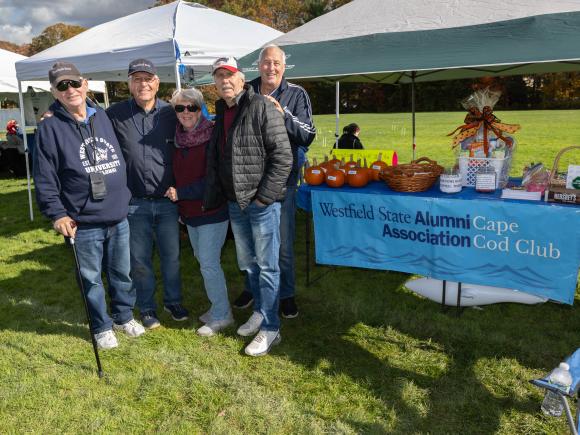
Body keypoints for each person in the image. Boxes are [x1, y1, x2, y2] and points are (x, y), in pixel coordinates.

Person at [33, 61, 144, 349]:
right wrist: (57, 214)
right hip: (83, 221)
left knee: (122, 272)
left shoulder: (103, 116)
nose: (70, 89)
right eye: (62, 86)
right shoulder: (50, 128)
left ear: (85, 84)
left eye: (74, 83)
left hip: (118, 214)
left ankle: (122, 316)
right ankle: (101, 325)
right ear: (55, 92)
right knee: (91, 278)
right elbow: (45, 177)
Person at [203, 57, 292, 356]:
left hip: (261, 204)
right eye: (219, 77)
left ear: (242, 79)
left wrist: (264, 197)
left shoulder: (261, 106)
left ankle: (270, 327)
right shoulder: (222, 111)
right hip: (234, 203)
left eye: (229, 76)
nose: (224, 81)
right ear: (214, 83)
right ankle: (260, 310)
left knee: (267, 266)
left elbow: (283, 157)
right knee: (248, 263)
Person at [233, 44, 316, 318]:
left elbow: (307, 134)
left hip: (283, 180)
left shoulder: (296, 93)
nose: (271, 68)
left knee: (281, 243)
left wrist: (283, 114)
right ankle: (253, 287)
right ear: (258, 66)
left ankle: (286, 294)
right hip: (248, 178)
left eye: (276, 63)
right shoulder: (247, 91)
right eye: (266, 63)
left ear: (284, 66)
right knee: (249, 244)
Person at [107, 59, 188, 329]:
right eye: (137, 79)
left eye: (148, 79)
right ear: (129, 84)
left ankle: (173, 301)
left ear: (157, 82)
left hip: (167, 201)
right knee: (139, 261)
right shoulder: (113, 114)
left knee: (172, 257)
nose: (143, 84)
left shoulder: (172, 112)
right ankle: (147, 307)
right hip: (133, 204)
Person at [165, 88, 233, 337]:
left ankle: (223, 314)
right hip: (189, 212)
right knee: (203, 260)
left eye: (191, 107)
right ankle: (218, 306)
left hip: (212, 210)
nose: (186, 113)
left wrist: (181, 192)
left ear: (200, 108)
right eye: (180, 108)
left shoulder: (212, 135)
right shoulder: (178, 137)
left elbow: (215, 179)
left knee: (208, 264)